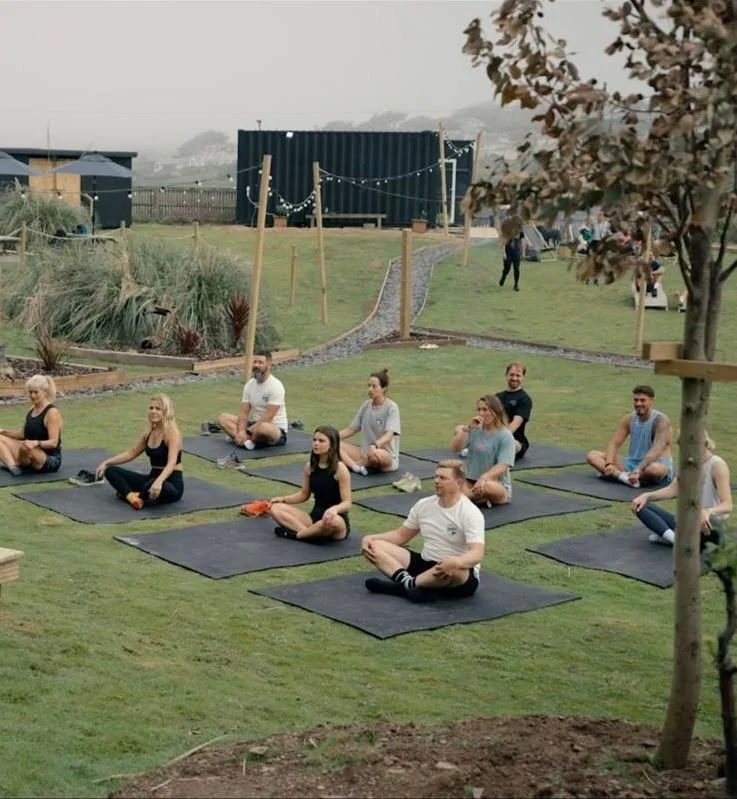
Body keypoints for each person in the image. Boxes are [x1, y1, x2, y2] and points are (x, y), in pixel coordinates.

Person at [361, 460, 484, 603]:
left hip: (456, 574)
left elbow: (477, 553)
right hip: (425, 564)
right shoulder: (424, 505)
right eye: (436, 476)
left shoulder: (470, 512)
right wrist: (370, 538)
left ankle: (402, 587)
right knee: (374, 546)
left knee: (456, 570)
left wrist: (455, 562)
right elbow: (400, 536)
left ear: (458, 483)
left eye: (443, 478)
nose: (436, 481)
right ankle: (412, 585)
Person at [631, 433, 731, 547]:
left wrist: (708, 512)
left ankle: (671, 536)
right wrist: (646, 496)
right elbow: (672, 490)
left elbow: (727, 505)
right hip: (686, 524)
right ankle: (675, 539)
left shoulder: (717, 465)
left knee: (707, 520)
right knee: (641, 506)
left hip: (708, 525)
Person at [96, 394, 183, 510]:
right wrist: (106, 462)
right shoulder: (148, 433)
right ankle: (133, 497)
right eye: (151, 408)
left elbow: (171, 462)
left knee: (152, 485)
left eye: (158, 409)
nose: (153, 411)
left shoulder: (172, 433)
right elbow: (131, 453)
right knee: (111, 471)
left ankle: (132, 494)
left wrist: (159, 482)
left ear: (166, 412)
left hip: (171, 483)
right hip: (151, 478)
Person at [266, 425, 352, 541]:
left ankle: (298, 535)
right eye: (314, 440)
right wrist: (282, 499)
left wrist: (334, 510)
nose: (316, 443)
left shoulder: (340, 469)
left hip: (336, 520)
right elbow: (304, 494)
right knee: (275, 508)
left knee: (332, 521)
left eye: (321, 441)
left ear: (332, 444)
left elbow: (347, 503)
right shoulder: (310, 467)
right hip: (314, 518)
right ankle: (310, 535)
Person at [586, 385, 673, 488]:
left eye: (642, 400)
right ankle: (624, 477)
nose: (638, 403)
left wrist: (638, 470)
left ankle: (621, 476)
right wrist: (609, 464)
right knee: (592, 456)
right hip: (632, 463)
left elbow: (655, 451)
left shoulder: (661, 421)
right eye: (636, 400)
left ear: (651, 401)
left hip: (654, 464)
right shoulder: (629, 418)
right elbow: (614, 443)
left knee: (655, 470)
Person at [451, 394, 516, 506]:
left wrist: (484, 478)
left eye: (485, 410)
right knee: (450, 481)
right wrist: (467, 429)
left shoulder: (505, 436)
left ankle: (463, 497)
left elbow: (503, 465)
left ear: (495, 411)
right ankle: (477, 498)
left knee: (486, 487)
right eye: (479, 409)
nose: (481, 413)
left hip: (494, 483)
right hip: (470, 480)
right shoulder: (475, 429)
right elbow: (455, 448)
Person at [217, 350, 288, 450]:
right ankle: (245, 440)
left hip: (274, 429)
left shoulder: (276, 386)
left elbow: (268, 418)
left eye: (260, 363)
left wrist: (247, 432)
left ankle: (245, 440)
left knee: (264, 427)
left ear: (269, 365)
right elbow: (244, 413)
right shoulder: (249, 385)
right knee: (223, 418)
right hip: (254, 424)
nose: (256, 365)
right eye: (254, 362)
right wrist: (241, 431)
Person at [339, 368, 400, 475]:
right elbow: (351, 429)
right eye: (369, 386)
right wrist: (330, 437)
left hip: (384, 455)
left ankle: (355, 465)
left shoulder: (391, 408)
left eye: (374, 386)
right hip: (365, 453)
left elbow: (389, 435)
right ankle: (356, 466)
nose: (370, 389)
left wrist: (375, 445)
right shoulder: (366, 405)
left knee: (375, 455)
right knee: (333, 445)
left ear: (384, 388)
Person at [0, 375, 62, 476]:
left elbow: (53, 443)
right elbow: (22, 434)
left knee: (25, 448)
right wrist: (3, 431)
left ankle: (16, 463)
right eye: (30, 392)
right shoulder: (32, 409)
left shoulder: (52, 412)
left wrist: (36, 443)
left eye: (36, 392)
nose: (32, 396)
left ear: (45, 392)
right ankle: (12, 466)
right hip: (28, 450)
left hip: (49, 459)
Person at [496, 361, 532, 459]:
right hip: (495, 436)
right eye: (511, 375)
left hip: (515, 441)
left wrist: (497, 439)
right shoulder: (497, 397)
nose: (514, 378)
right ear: (506, 375)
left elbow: (515, 424)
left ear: (523, 378)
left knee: (509, 444)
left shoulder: (524, 399)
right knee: (461, 430)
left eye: (518, 375)